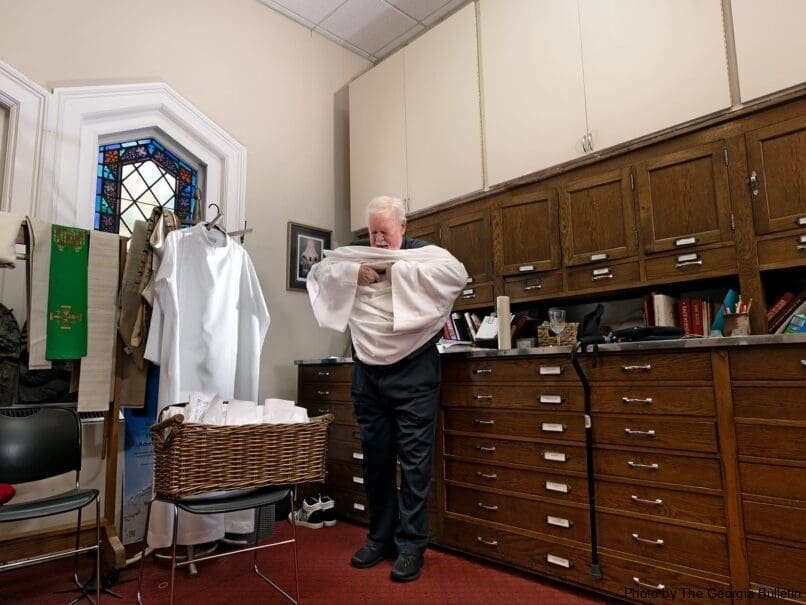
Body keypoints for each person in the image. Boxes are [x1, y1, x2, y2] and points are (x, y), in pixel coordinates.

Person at [306, 196, 467, 582]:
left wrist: (397, 272)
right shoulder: (358, 255)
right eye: (373, 232)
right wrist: (354, 274)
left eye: (385, 233)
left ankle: (411, 546)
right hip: (368, 374)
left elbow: (456, 275)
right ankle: (379, 537)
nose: (378, 240)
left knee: (413, 464)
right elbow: (323, 271)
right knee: (376, 461)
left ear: (403, 228)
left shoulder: (425, 255)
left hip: (414, 373)